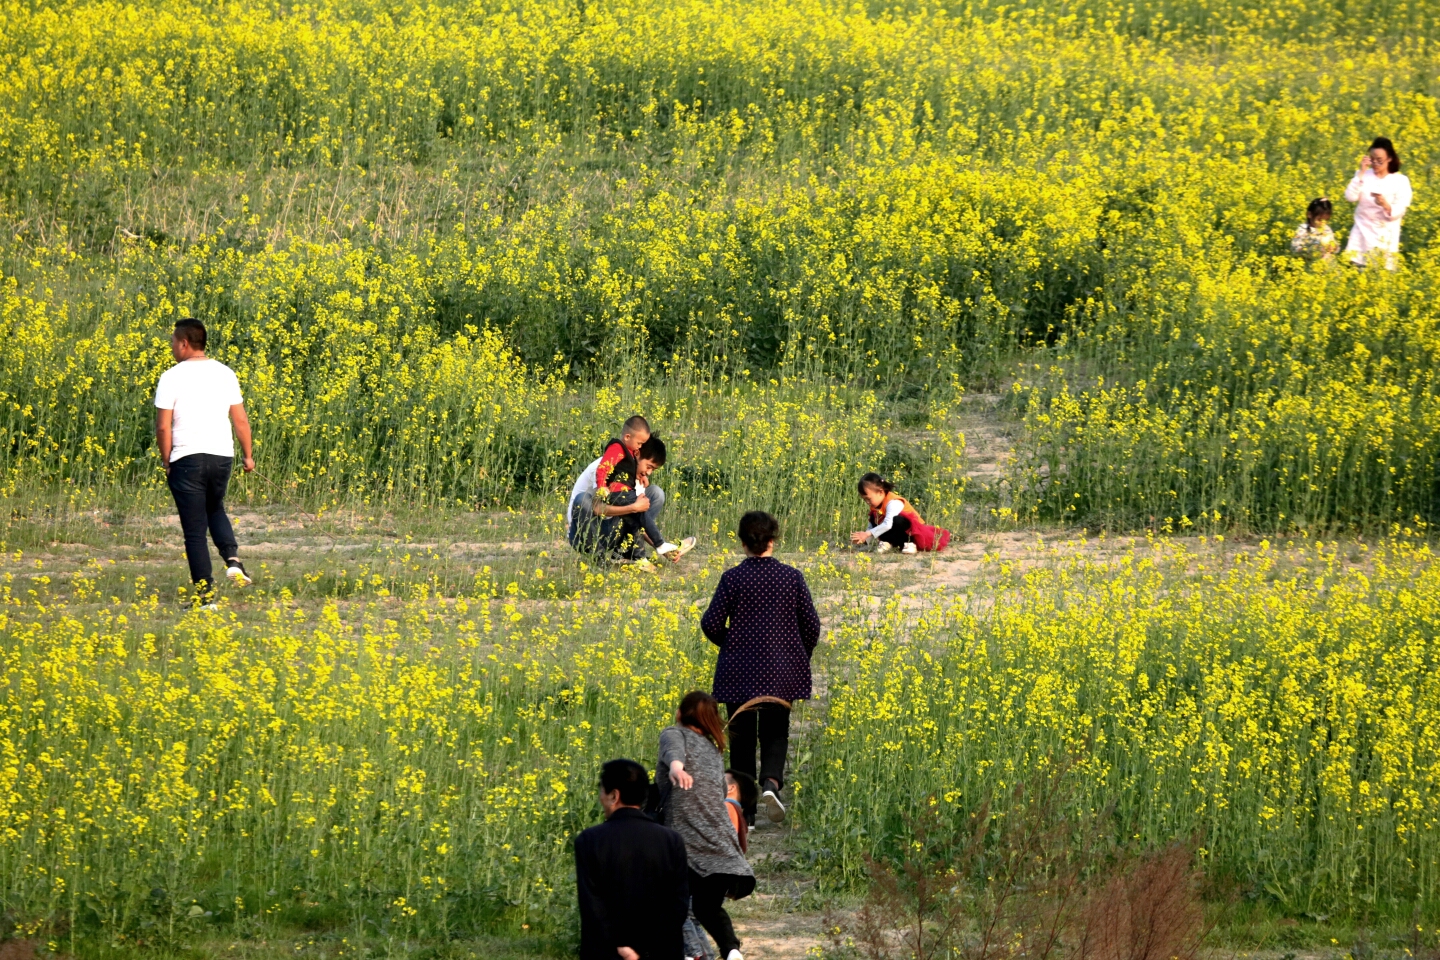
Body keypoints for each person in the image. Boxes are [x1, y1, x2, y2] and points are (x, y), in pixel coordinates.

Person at [701, 511, 821, 825]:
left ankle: (746, 813)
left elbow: (711, 623)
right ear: (773, 540)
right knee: (776, 732)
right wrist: (796, 656)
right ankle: (771, 783)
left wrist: (733, 645)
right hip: (781, 670)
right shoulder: (791, 577)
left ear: (743, 543)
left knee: (741, 739)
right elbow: (811, 626)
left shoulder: (732, 578)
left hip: (739, 670)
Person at [154, 317, 254, 603]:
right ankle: (233, 561)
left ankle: (205, 597)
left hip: (187, 457)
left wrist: (166, 460)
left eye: (173, 342)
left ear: (184, 343)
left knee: (194, 531)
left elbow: (163, 426)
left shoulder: (171, 376)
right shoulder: (225, 373)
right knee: (214, 507)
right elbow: (241, 420)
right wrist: (248, 456)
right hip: (222, 456)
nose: (172, 347)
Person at [659, 692, 756, 960]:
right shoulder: (714, 753)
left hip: (686, 839)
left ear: (680, 713)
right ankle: (731, 951)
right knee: (707, 907)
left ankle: (692, 954)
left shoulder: (672, 733)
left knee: (673, 904)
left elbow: (673, 752)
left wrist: (677, 769)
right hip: (721, 843)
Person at [574, 759, 690, 960]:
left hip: (607, 951)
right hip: (661, 951)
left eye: (602, 790)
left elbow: (592, 905)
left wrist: (623, 946)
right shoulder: (671, 840)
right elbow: (678, 905)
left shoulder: (590, 840)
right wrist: (645, 948)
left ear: (614, 795)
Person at [568, 425, 694, 564]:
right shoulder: (605, 466)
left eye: (653, 469)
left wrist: (662, 548)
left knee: (655, 494)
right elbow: (597, 508)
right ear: (637, 453)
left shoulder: (634, 475)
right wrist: (634, 508)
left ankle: (625, 552)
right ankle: (598, 558)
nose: (649, 472)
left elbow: (639, 519)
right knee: (582, 500)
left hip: (612, 532)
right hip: (586, 534)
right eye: (649, 466)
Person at [1344, 137, 1412, 270]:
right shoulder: (1362, 175)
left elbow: (1401, 209)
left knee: (1381, 276)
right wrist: (1362, 172)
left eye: (1379, 161)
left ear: (1390, 158)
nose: (1375, 164)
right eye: (1372, 159)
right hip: (1360, 235)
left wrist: (1385, 205)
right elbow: (1350, 197)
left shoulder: (1400, 181)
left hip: (1386, 238)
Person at [849, 472, 951, 554]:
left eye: (868, 499)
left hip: (912, 533)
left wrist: (866, 534)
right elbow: (871, 526)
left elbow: (888, 525)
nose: (867, 502)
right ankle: (888, 543)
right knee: (873, 517)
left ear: (880, 492)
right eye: (865, 500)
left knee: (897, 520)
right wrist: (864, 539)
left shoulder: (893, 502)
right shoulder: (875, 506)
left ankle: (910, 544)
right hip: (896, 534)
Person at [1290, 197, 1338, 262]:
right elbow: (1295, 247)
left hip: (1326, 262)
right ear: (1309, 215)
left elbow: (1333, 243)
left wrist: (1334, 247)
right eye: (1319, 220)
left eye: (1326, 220)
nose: (1323, 223)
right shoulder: (1303, 229)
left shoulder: (1327, 229)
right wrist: (1310, 251)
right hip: (1307, 262)